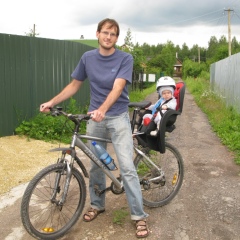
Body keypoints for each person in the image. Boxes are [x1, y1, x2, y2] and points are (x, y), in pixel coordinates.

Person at [40, 18, 149, 238]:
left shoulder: (125, 58)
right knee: (95, 164)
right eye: (106, 33)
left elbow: (118, 88)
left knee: (126, 167)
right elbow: (74, 84)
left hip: (117, 116)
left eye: (113, 34)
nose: (109, 37)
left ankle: (139, 216)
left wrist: (103, 109)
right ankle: (97, 204)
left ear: (116, 38)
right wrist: (52, 101)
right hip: (94, 117)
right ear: (98, 34)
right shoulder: (87, 58)